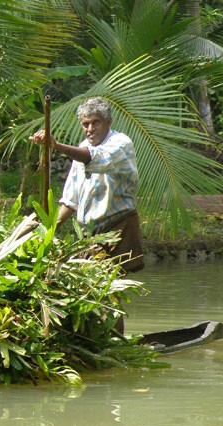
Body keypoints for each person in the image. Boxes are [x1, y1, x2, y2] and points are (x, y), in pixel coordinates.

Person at [29, 96, 144, 334]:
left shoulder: (121, 144)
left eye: (95, 122)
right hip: (89, 235)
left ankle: (114, 342)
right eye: (85, 124)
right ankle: (96, 339)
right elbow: (71, 200)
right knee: (83, 291)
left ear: (108, 122)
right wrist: (47, 231)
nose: (90, 129)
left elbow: (97, 159)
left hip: (117, 228)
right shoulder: (82, 149)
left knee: (105, 290)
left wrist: (56, 146)